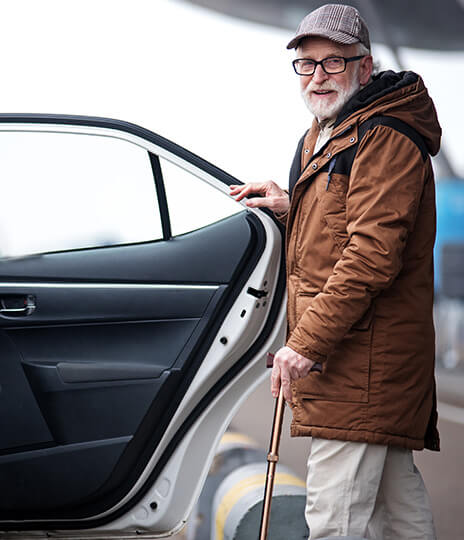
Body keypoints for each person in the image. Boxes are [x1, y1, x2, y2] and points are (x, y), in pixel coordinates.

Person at [230, 4, 441, 539]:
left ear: (364, 68)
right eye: (307, 63)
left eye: (334, 62)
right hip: (361, 363)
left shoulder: (384, 137)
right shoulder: (329, 133)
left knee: (334, 520)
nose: (319, 76)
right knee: (399, 515)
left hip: (364, 363)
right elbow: (345, 220)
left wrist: (305, 344)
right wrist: (291, 204)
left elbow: (372, 253)